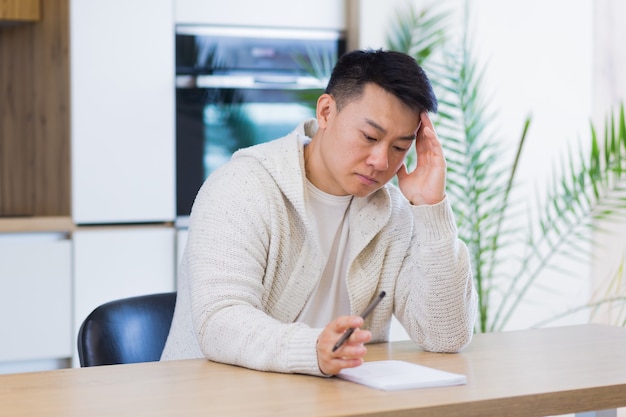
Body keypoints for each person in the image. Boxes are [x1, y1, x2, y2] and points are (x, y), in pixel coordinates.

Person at [161, 48, 477, 376]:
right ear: (326, 112)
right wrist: (310, 350)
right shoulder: (242, 187)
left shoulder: (394, 212)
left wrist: (431, 209)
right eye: (370, 137)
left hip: (335, 402)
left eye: (399, 147)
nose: (381, 161)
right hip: (218, 400)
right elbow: (219, 322)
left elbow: (446, 335)